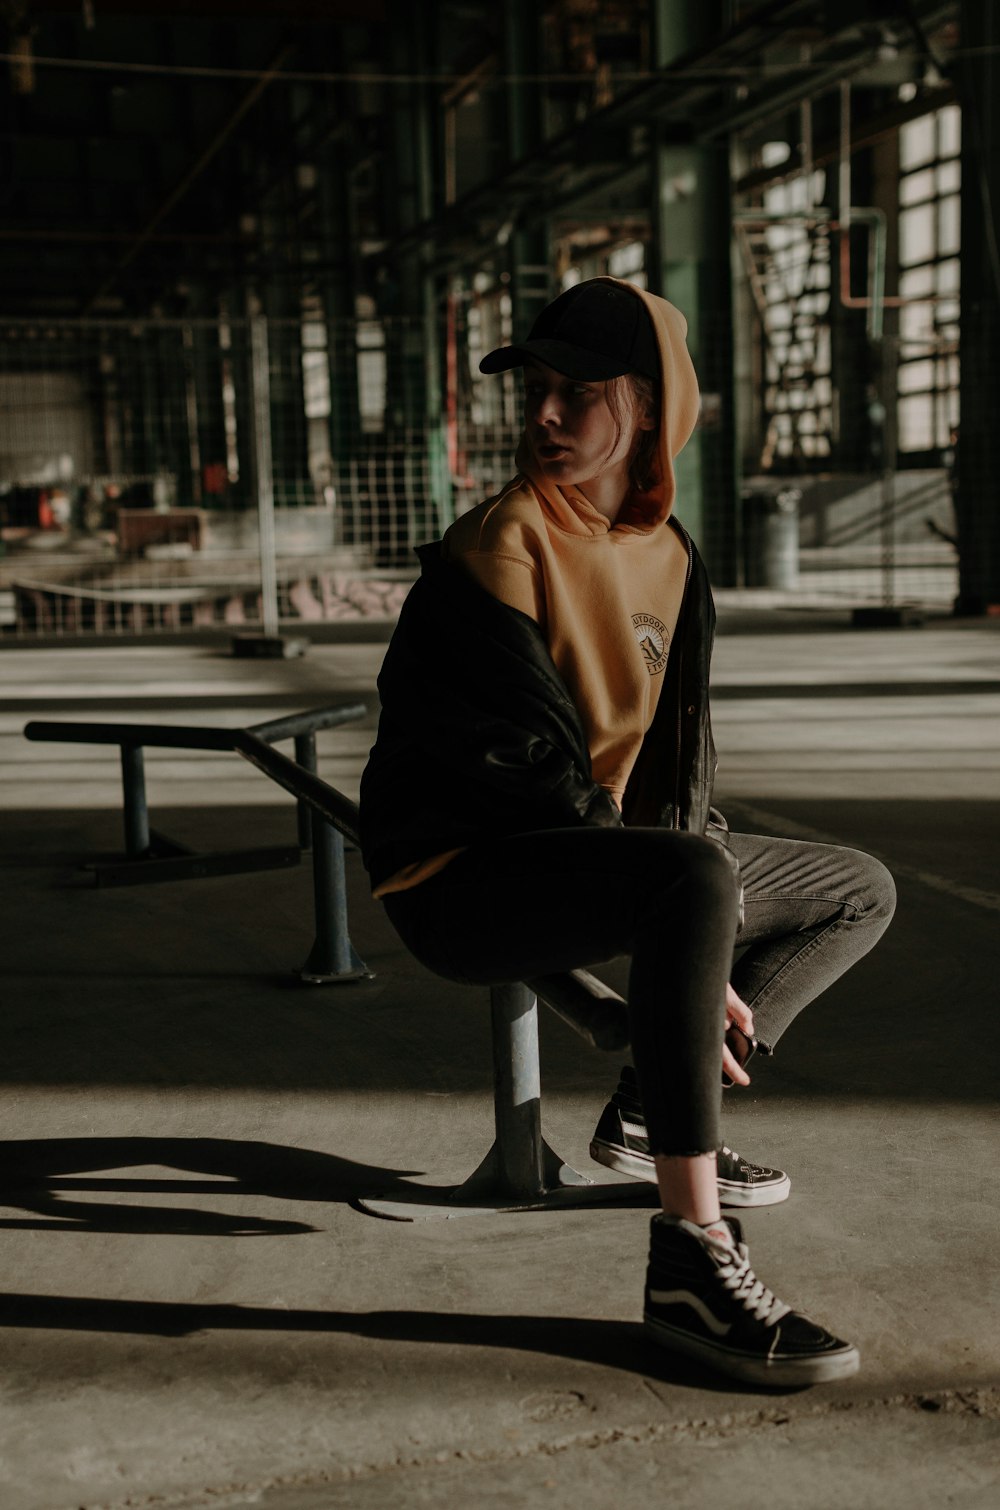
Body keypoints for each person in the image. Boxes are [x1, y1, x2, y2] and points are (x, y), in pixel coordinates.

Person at [359, 277, 895, 1387]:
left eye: (576, 392)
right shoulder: (497, 545)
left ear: (649, 408)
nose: (544, 415)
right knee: (691, 880)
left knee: (856, 888)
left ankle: (655, 1101)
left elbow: (675, 759)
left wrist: (698, 885)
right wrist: (683, 890)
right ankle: (689, 1260)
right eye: (536, 392)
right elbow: (526, 768)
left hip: (594, 845)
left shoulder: (673, 558)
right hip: (459, 871)